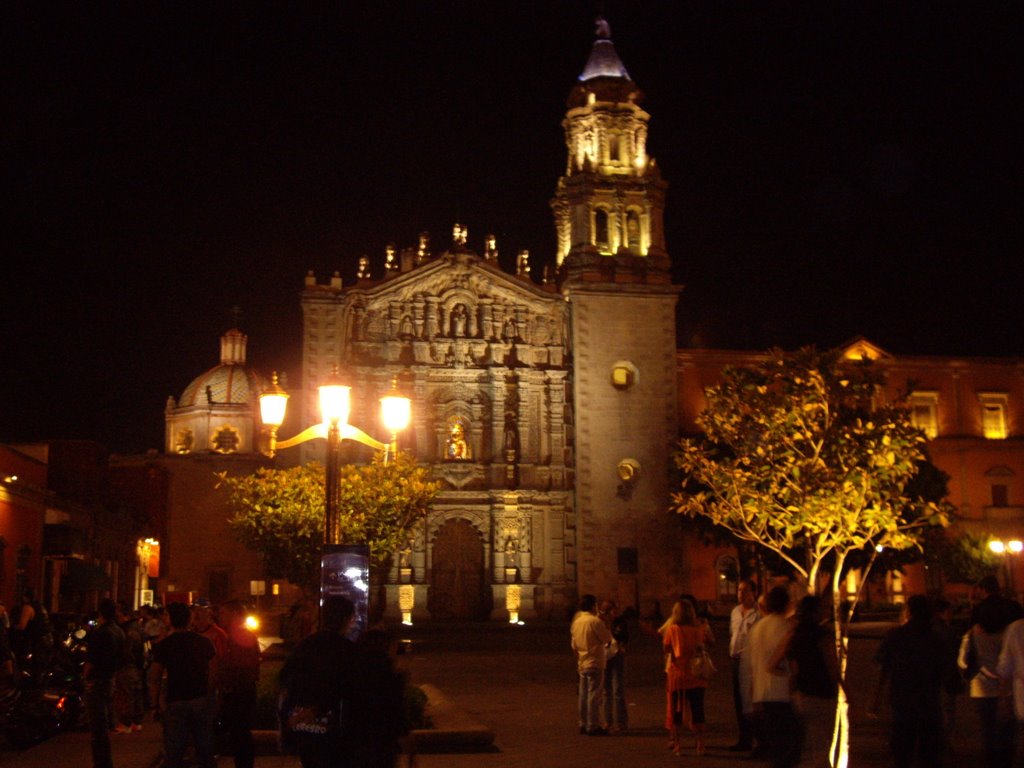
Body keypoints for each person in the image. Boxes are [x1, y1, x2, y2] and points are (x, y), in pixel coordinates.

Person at [279, 595, 364, 768]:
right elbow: (350, 689)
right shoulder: (348, 651)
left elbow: (285, 680)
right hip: (335, 730)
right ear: (346, 620)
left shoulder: (305, 645)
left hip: (305, 729)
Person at [872, 594, 946, 768]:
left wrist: (876, 697)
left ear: (909, 611)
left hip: (902, 700)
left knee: (903, 752)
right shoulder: (935, 637)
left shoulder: (896, 636)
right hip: (929, 701)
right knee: (929, 754)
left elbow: (882, 666)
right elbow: (944, 669)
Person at [148, 601, 217, 768]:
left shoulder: (164, 645)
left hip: (175, 699)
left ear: (170, 619)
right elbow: (214, 672)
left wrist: (155, 704)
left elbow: (154, 677)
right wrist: (210, 695)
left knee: (174, 748)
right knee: (205, 746)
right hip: (200, 698)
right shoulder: (204, 642)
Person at [781, 595, 841, 768]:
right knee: (822, 745)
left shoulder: (795, 633)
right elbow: (832, 665)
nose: (827, 611)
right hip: (822, 692)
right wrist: (846, 691)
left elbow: (784, 662)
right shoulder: (823, 635)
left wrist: (792, 689)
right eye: (823, 608)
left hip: (802, 693)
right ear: (816, 612)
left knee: (808, 744)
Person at [961, 592, 1014, 768]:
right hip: (1006, 686)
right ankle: (1006, 761)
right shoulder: (1008, 633)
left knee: (988, 729)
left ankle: (991, 761)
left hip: (981, 686)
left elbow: (962, 661)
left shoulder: (972, 634)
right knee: (1006, 729)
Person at [747, 585, 798, 768]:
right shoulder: (786, 627)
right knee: (788, 746)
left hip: (763, 692)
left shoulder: (757, 628)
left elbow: (750, 664)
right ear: (786, 604)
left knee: (776, 745)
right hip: (783, 691)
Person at [663, 598, 714, 755]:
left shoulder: (673, 629)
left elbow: (666, 647)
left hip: (678, 675)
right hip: (696, 675)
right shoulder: (698, 629)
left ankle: (678, 744)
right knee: (698, 711)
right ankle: (700, 744)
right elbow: (707, 644)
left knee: (677, 712)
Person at [216, 600, 261, 768]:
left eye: (223, 613)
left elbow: (244, 666)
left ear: (234, 614)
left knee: (240, 735)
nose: (220, 617)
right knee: (238, 735)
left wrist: (228, 683)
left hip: (239, 693)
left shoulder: (241, 636)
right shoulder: (235, 635)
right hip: (239, 691)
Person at [84, 597, 126, 768]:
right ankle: (104, 761)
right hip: (110, 679)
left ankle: (102, 763)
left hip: (98, 681)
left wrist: (85, 676)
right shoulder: (119, 631)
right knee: (105, 723)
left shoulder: (101, 633)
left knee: (97, 727)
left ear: (100, 613)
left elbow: (91, 662)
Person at [570, 593, 612, 736]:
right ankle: (592, 725)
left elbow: (574, 644)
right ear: (593, 606)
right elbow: (607, 638)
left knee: (583, 694)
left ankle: (582, 723)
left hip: (582, 661)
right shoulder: (594, 621)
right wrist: (605, 622)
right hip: (595, 660)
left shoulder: (576, 622)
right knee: (594, 694)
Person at [728, 578, 760, 753]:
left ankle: (757, 739)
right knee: (739, 700)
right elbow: (733, 634)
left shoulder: (757, 613)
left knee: (750, 701)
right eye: (739, 590)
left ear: (753, 593)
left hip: (749, 661)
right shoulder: (734, 612)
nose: (741, 594)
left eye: (745, 590)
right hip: (735, 659)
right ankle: (744, 738)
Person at [113, 602, 146, 733]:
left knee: (125, 694)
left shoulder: (127, 630)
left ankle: (125, 723)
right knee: (136, 693)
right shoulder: (138, 627)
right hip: (137, 665)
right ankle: (136, 721)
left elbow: (126, 651)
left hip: (127, 665)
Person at [599, 598, 629, 733]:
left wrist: (621, 645)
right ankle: (607, 721)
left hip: (616, 655)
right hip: (604, 656)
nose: (611, 613)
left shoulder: (620, 622)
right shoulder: (599, 622)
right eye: (605, 611)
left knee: (618, 690)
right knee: (606, 692)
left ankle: (621, 722)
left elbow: (624, 636)